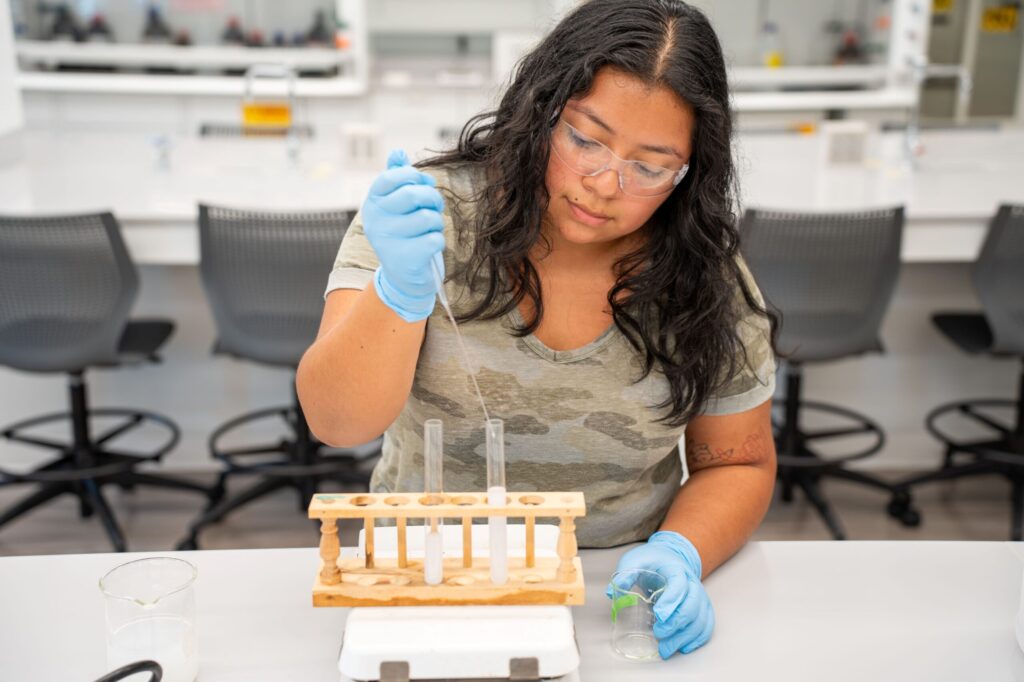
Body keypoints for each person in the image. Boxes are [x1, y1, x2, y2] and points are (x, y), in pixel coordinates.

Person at [297, 0, 777, 660]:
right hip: (423, 581)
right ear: (542, 110)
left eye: (649, 166)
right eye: (585, 139)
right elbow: (336, 421)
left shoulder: (704, 275)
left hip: (612, 592)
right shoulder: (432, 219)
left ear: (690, 172)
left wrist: (679, 552)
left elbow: (740, 461)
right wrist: (399, 294)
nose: (605, 184)